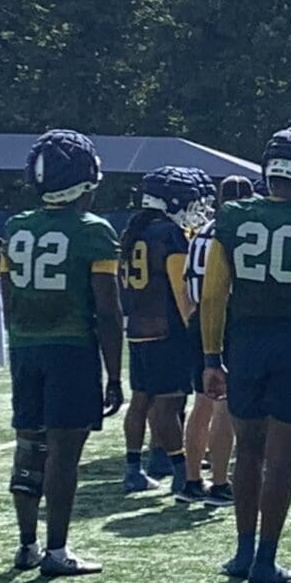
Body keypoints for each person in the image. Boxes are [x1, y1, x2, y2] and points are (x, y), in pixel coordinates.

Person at [198, 127, 291, 583]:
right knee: (281, 460)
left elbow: (214, 294)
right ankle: (265, 559)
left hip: (246, 343)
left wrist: (210, 354)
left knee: (248, 452)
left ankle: (242, 551)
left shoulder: (233, 216)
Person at [0, 130, 125, 578]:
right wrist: (114, 373)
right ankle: (56, 550)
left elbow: (10, 296)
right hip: (70, 350)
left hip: (26, 348)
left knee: (28, 447)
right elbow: (108, 312)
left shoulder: (16, 227)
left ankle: (26, 544)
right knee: (64, 456)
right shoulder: (93, 231)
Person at [118, 168, 207, 495]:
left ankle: (133, 468)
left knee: (140, 401)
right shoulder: (168, 234)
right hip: (166, 331)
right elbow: (180, 289)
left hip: (138, 329)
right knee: (167, 405)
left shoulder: (135, 231)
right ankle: (181, 471)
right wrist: (195, 329)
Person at [180, 175, 247, 505]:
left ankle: (192, 479)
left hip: (197, 320)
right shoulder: (236, 233)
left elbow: (186, 287)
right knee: (225, 403)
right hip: (227, 321)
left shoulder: (200, 233)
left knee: (201, 403)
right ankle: (220, 482)